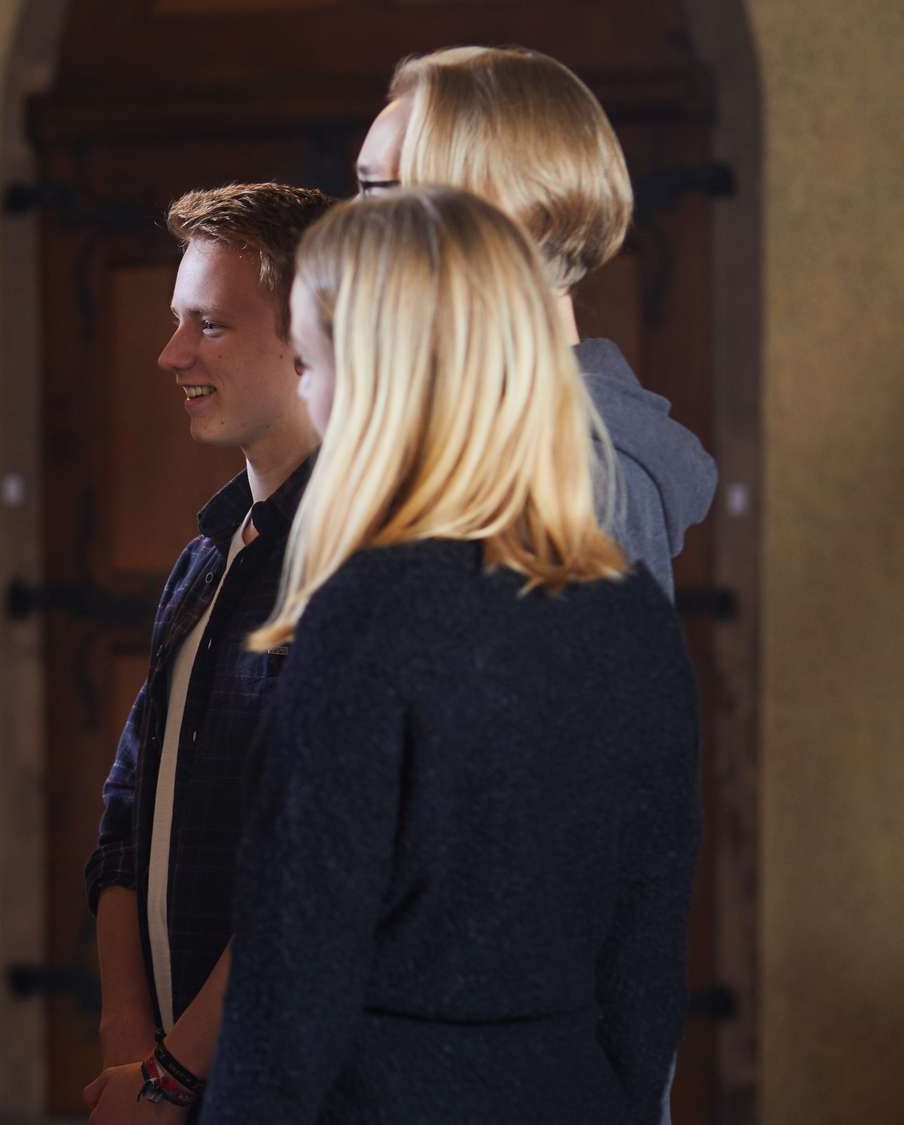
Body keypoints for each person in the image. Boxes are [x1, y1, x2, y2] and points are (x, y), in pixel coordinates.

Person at [197, 187, 700, 1124]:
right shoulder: (633, 611)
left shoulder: (368, 618)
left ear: (386, 378)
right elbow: (647, 974)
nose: (306, 392)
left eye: (311, 360)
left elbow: (289, 996)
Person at [81, 182, 337, 1123]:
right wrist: (129, 1041)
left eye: (210, 326)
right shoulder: (205, 559)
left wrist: (173, 1072)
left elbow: (313, 869)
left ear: (310, 333)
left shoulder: (355, 567)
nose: (170, 354)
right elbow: (123, 813)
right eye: (173, 320)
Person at [355, 45, 717, 598]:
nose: (351, 226)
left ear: (492, 211)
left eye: (380, 191)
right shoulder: (470, 439)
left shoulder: (574, 477)